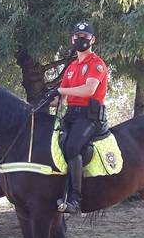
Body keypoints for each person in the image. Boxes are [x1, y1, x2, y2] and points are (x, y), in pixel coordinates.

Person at [43, 21, 109, 214]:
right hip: (71, 114)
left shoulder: (96, 64)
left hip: (90, 117)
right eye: (77, 37)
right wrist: (44, 101)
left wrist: (61, 90)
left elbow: (89, 90)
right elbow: (60, 98)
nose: (81, 40)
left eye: (85, 37)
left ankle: (75, 199)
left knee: (72, 147)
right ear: (72, 39)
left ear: (92, 40)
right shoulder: (71, 66)